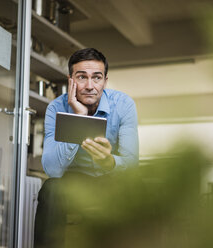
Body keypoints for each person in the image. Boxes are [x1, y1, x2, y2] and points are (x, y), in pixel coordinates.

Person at [34, 48, 139, 247]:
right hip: (73, 181)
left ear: (105, 81)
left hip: (112, 178)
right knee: (50, 189)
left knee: (137, 192)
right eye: (82, 77)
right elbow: (52, 170)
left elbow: (131, 164)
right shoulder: (56, 108)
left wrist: (108, 161)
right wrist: (78, 117)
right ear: (70, 80)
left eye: (97, 78)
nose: (90, 86)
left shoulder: (124, 105)